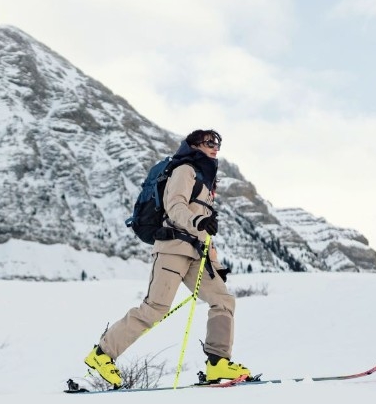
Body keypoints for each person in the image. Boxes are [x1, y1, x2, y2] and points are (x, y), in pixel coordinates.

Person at [82, 130, 251, 387]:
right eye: (209, 142)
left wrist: (215, 264)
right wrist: (198, 220)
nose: (215, 147)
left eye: (218, 143)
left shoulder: (206, 181)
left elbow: (203, 228)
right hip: (172, 247)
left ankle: (218, 363)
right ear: (194, 145)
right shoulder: (185, 169)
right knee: (155, 308)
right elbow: (175, 207)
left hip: (198, 253)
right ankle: (102, 354)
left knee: (223, 300)